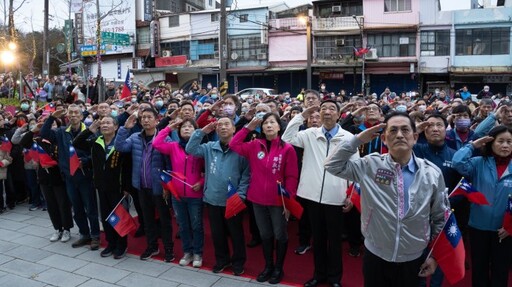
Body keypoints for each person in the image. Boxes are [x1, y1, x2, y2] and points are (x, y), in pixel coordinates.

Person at [324, 112, 447, 287]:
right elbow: (331, 165)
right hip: (376, 255)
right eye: (393, 130)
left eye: (405, 130)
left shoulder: (432, 174)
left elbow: (440, 218)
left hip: (414, 258)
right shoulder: (369, 165)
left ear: (415, 136)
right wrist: (357, 140)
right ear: (383, 138)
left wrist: (434, 256)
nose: (399, 135)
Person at [282, 99, 359, 287]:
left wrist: (352, 195)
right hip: (312, 196)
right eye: (323, 108)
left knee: (334, 241)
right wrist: (302, 115)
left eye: (332, 108)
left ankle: (334, 278)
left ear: (339, 114)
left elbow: (356, 169)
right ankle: (319, 275)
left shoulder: (348, 137)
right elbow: (287, 137)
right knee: (317, 239)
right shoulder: (309, 134)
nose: (327, 112)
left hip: (337, 197)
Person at [229, 113, 299, 285]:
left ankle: (278, 268)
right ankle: (268, 266)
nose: (268, 125)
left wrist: (289, 201)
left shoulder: (287, 148)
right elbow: (233, 144)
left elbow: (291, 177)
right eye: (266, 123)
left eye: (272, 122)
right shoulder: (254, 146)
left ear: (279, 127)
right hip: (257, 199)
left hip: (278, 200)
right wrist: (248, 128)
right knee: (265, 234)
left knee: (280, 234)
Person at [185, 117, 250, 276]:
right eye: (219, 125)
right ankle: (222, 260)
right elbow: (190, 149)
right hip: (213, 198)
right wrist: (202, 131)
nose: (223, 127)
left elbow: (246, 175)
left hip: (233, 200)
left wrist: (240, 195)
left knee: (236, 234)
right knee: (217, 234)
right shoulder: (209, 147)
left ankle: (238, 262)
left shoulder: (241, 150)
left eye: (227, 124)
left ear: (234, 129)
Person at [452, 125, 512, 287]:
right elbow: (457, 162)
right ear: (491, 143)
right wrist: (473, 145)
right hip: (478, 227)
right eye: (500, 141)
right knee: (479, 269)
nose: (505, 145)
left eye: (509, 142)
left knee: (501, 270)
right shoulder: (479, 163)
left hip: (504, 231)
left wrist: (510, 227)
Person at [114, 107, 175, 262]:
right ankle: (152, 246)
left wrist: (167, 186)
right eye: (143, 118)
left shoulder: (164, 139)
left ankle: (168, 248)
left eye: (149, 117)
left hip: (159, 188)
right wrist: (124, 128)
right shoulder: (134, 137)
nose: (146, 120)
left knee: (164, 220)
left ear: (157, 120)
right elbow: (119, 147)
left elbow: (169, 166)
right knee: (147, 219)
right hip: (141, 186)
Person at [40, 104, 100, 250]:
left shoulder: (91, 131)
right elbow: (44, 134)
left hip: (85, 176)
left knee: (90, 208)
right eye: (70, 113)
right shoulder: (61, 132)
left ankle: (95, 236)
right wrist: (52, 117)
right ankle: (84, 234)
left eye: (76, 113)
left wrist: (85, 162)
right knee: (77, 209)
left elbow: (96, 155)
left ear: (81, 116)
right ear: (67, 116)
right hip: (70, 177)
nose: (73, 115)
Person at [73, 116, 131, 259]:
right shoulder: (95, 142)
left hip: (117, 187)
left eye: (108, 123)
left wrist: (126, 187)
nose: (105, 125)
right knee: (105, 217)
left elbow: (128, 167)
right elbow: (77, 143)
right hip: (100, 186)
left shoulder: (121, 143)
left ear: (116, 127)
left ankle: (121, 245)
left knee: (119, 217)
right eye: (102, 123)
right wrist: (89, 130)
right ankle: (111, 243)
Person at [153, 118, 205, 268]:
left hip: (195, 195)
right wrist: (169, 128)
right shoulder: (174, 146)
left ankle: (198, 253)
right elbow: (157, 143)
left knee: (196, 225)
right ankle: (187, 252)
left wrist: (200, 183)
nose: (187, 129)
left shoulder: (201, 148)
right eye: (183, 127)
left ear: (196, 131)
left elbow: (207, 171)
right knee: (182, 225)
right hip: (177, 194)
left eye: (190, 126)